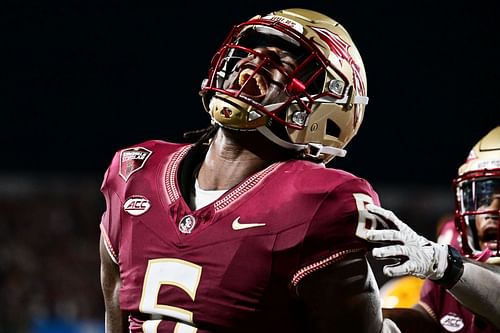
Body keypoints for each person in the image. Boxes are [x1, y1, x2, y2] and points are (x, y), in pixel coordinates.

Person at [99, 8, 394, 333]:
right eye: (252, 47)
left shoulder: (321, 203)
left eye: (284, 59)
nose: (253, 61)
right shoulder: (135, 173)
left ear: (326, 107)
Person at [361, 126, 500, 332]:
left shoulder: (449, 263)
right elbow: (431, 320)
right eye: (484, 197)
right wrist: (370, 323)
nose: (490, 210)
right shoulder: (455, 245)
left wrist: (449, 267)